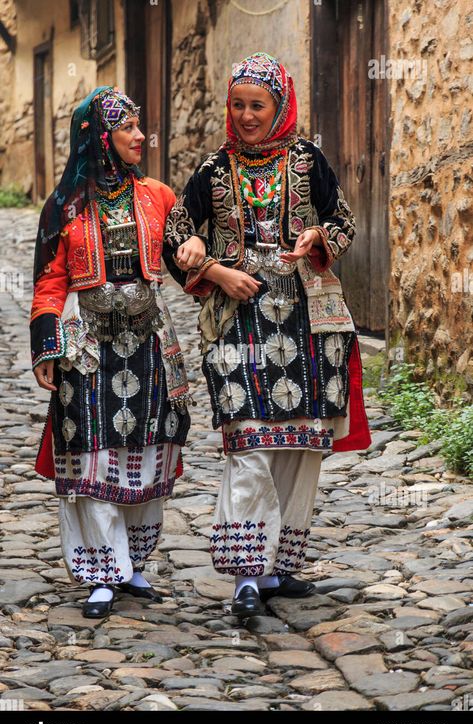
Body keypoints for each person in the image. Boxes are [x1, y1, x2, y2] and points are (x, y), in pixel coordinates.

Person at [163, 52, 371, 619]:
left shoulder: (308, 160)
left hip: (308, 322)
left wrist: (316, 238)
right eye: (238, 105)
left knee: (300, 447)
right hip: (238, 322)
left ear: (279, 107)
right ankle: (247, 575)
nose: (247, 116)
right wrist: (210, 267)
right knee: (247, 441)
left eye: (258, 105)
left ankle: (279, 567)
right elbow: (175, 234)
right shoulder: (211, 169)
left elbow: (345, 223)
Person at [30, 86, 199, 618]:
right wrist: (47, 347)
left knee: (148, 447)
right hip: (86, 345)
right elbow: (49, 281)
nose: (139, 136)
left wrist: (198, 252)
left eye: (138, 125)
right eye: (126, 127)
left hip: (148, 339)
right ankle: (103, 570)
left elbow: (185, 259)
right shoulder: (64, 207)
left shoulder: (158, 195)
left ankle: (133, 562)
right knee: (92, 450)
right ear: (100, 138)